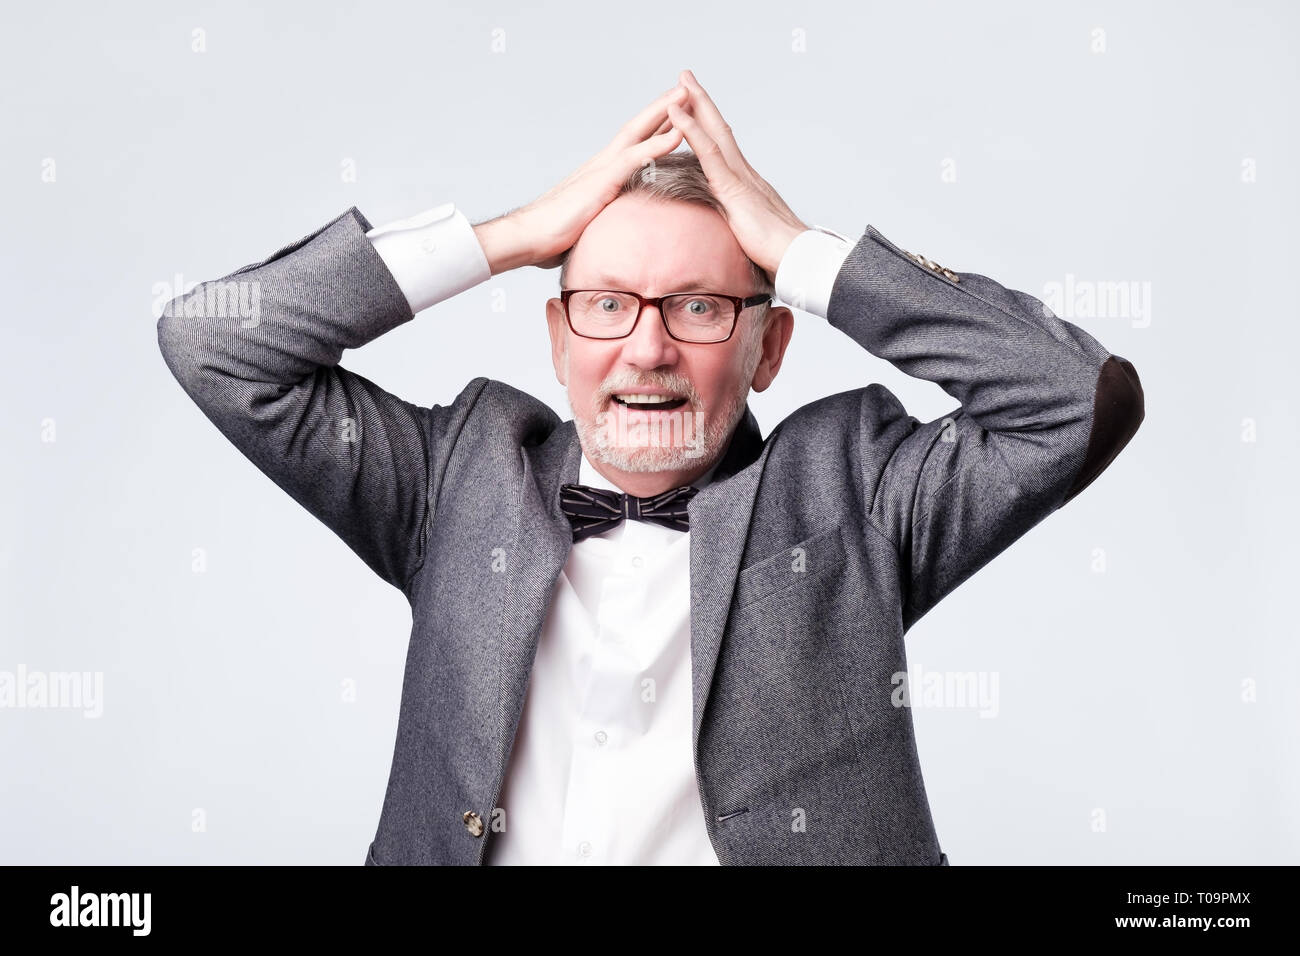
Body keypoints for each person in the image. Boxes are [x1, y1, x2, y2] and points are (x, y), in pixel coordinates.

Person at [156, 69, 1145, 865]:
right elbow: (212, 342)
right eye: (607, 303)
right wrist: (508, 239)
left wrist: (800, 250)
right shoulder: (455, 477)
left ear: (768, 350)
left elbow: (1071, 395)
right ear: (557, 337)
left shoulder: (858, 493)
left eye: (699, 306)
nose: (646, 347)